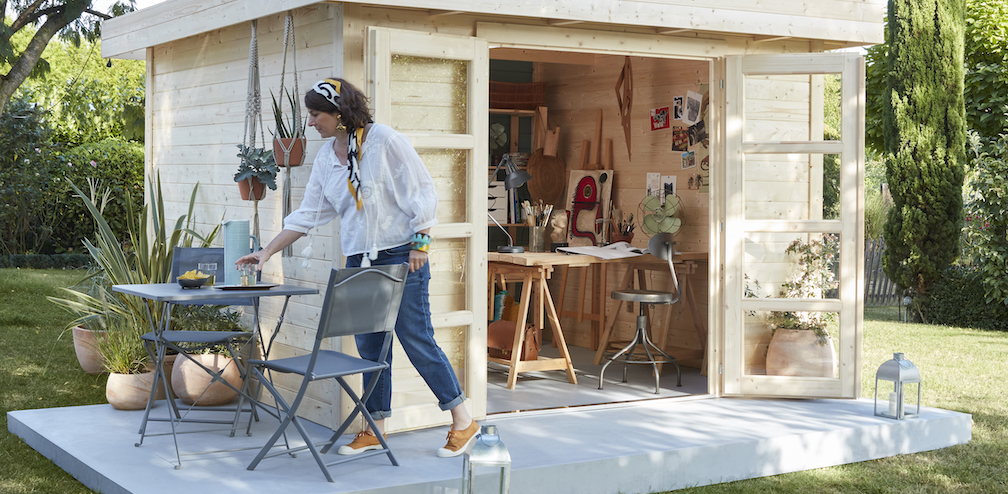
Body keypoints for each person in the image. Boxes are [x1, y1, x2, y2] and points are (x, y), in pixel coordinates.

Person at [236, 77, 477, 458]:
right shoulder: (326, 159)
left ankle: (463, 421)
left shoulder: (384, 140)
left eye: (316, 115)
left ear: (338, 112)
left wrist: (422, 244)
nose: (311, 122)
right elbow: (308, 214)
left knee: (416, 340)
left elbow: (424, 191)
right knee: (370, 350)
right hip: (359, 261)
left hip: (402, 254)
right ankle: (374, 428)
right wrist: (266, 252)